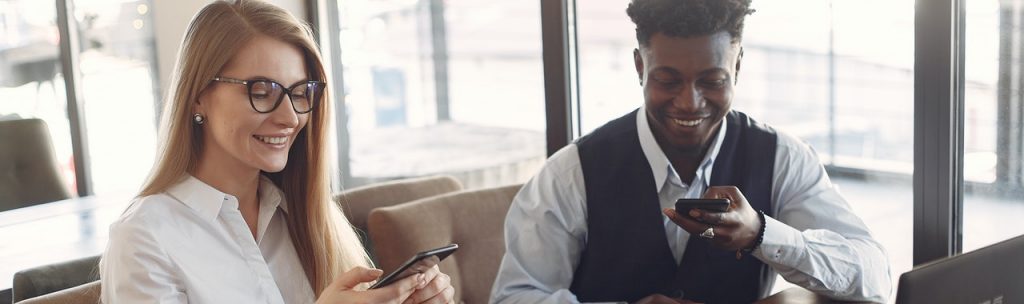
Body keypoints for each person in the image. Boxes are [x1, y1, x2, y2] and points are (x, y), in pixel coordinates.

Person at [489, 0, 891, 303]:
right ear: (639, 68)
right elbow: (515, 296)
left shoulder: (783, 158)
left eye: (712, 80)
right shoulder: (570, 172)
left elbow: (873, 276)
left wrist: (761, 234)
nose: (689, 102)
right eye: (667, 80)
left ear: (737, 68)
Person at [99, 1, 454, 303]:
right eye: (263, 91)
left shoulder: (305, 214)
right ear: (198, 96)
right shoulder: (145, 239)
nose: (290, 117)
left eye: (300, 92)